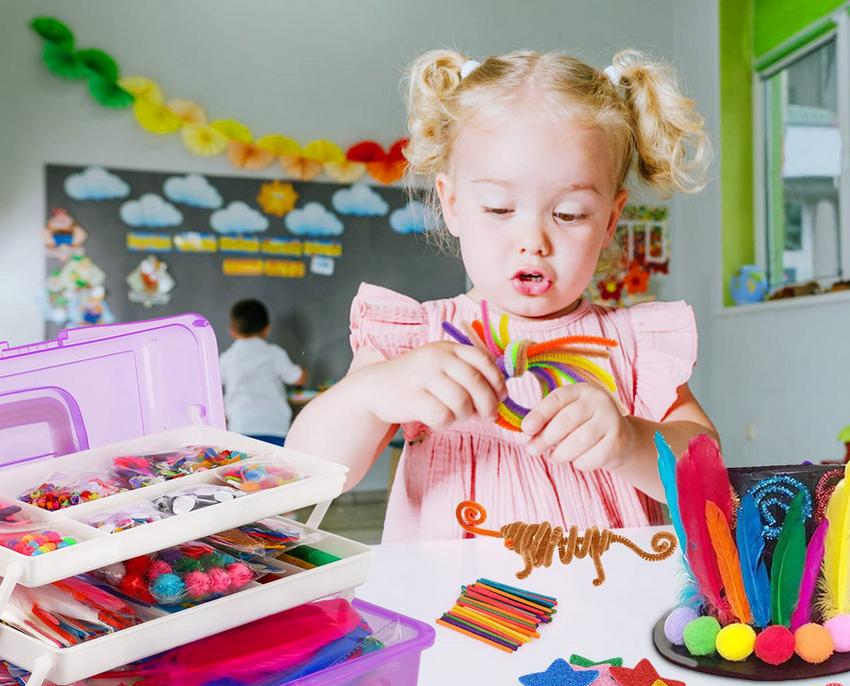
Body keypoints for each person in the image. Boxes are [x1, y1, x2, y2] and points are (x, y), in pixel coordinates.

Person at [287, 49, 718, 540]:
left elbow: (708, 473)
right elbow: (308, 470)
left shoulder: (633, 344)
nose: (533, 239)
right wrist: (369, 395)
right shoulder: (414, 341)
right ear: (451, 205)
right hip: (448, 607)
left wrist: (633, 442)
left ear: (610, 221)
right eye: (498, 208)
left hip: (611, 604)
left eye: (570, 213)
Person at [220, 299, 306, 446]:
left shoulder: (226, 358)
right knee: (276, 468)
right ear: (267, 329)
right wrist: (303, 372)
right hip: (275, 425)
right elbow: (298, 378)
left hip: (240, 426)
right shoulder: (275, 354)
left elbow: (213, 387)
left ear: (232, 331)